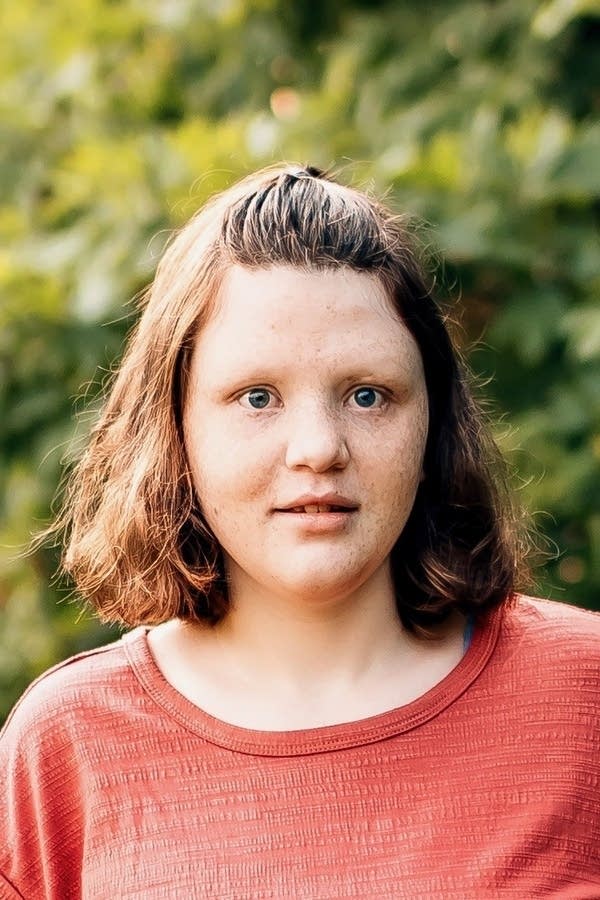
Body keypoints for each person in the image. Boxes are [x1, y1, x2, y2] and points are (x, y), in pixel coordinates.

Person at [1, 164, 599, 900]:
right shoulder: (66, 746)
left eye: (368, 396)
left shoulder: (585, 695)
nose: (318, 447)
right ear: (176, 429)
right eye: (258, 398)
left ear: (432, 423)